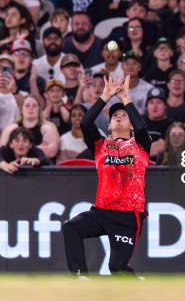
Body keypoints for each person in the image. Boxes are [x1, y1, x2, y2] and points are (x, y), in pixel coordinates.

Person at [63, 74, 151, 277]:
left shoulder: (140, 146)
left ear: (130, 126)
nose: (118, 117)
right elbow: (85, 124)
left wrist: (126, 99)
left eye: (124, 115)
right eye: (114, 116)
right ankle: (79, 277)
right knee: (71, 228)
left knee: (116, 268)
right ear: (109, 126)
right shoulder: (101, 146)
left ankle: (135, 283)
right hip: (102, 211)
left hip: (129, 214)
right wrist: (104, 97)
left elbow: (142, 128)